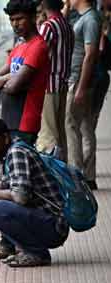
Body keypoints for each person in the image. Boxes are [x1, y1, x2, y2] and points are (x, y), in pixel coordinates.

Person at [0, 117, 68, 267]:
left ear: (5, 138)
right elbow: (5, 185)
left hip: (54, 227)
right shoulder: (9, 152)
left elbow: (20, 197)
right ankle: (8, 246)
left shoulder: (17, 153)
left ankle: (37, 254)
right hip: (42, 218)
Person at [0, 0, 51, 144]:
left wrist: (8, 81)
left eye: (19, 19)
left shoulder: (37, 47)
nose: (15, 24)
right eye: (11, 20)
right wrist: (12, 76)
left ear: (32, 18)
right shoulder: (19, 48)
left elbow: (12, 87)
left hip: (25, 122)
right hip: (10, 122)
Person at [65, 0, 102, 189]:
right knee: (85, 127)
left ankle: (78, 176)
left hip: (79, 80)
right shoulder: (85, 18)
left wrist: (80, 86)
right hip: (79, 80)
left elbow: (91, 55)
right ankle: (87, 176)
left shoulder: (90, 19)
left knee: (72, 126)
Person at [36, 0, 74, 158]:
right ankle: (63, 170)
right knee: (60, 134)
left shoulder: (49, 26)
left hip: (49, 86)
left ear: (44, 4)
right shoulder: (66, 25)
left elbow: (38, 53)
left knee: (48, 136)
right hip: (62, 84)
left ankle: (52, 174)